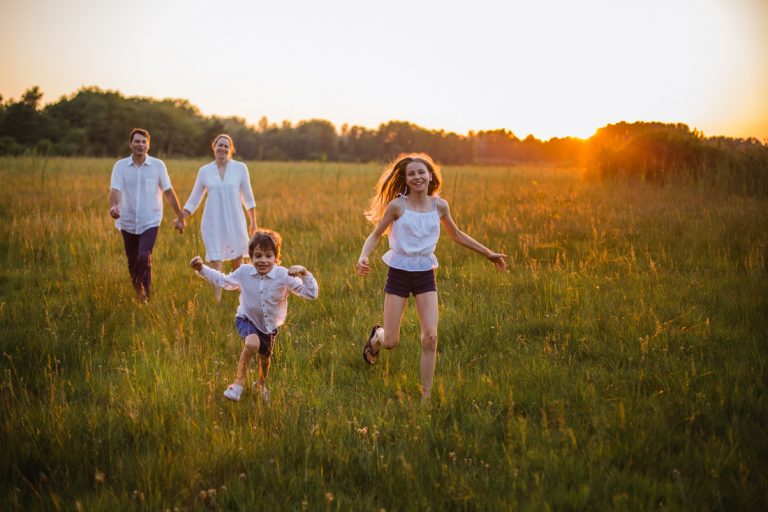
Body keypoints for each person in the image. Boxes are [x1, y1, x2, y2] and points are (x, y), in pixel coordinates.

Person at [356, 153, 507, 401]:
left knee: (431, 336)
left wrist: (488, 253)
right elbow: (375, 235)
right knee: (392, 341)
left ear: (430, 175)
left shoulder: (440, 206)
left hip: (425, 273)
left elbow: (457, 235)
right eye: (411, 173)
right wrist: (364, 256)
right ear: (405, 178)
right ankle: (377, 337)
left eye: (421, 172)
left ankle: (425, 396)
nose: (417, 177)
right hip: (399, 274)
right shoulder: (397, 206)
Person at [190, 229, 318, 402]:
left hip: (269, 326)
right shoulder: (244, 272)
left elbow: (311, 294)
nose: (263, 261)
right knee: (252, 344)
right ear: (251, 258)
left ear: (276, 258)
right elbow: (223, 281)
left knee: (265, 360)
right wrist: (201, 269)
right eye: (258, 256)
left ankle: (260, 386)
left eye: (268, 256)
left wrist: (304, 273)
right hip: (246, 318)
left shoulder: (283, 275)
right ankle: (237, 385)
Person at [177, 134, 257, 300]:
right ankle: (217, 301)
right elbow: (194, 198)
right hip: (213, 222)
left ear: (231, 149)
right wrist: (181, 217)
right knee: (216, 260)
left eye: (226, 146)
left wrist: (253, 222)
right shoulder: (205, 171)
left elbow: (248, 198)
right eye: (219, 145)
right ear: (214, 147)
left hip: (235, 220)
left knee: (238, 262)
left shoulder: (240, 168)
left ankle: (240, 300)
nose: (222, 148)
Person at [109, 128, 185, 301]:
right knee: (132, 261)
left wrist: (180, 216)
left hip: (150, 220)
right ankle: (139, 292)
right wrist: (113, 206)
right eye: (137, 141)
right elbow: (115, 189)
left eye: (144, 142)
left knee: (144, 256)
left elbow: (168, 192)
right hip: (127, 221)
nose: (140, 145)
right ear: (130, 144)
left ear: (148, 145)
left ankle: (146, 295)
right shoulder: (120, 166)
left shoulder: (158, 166)